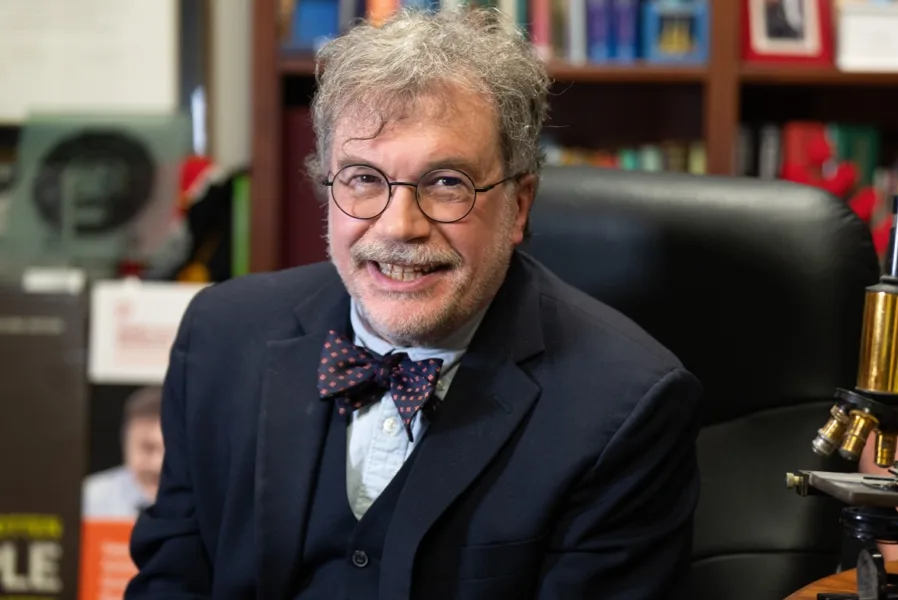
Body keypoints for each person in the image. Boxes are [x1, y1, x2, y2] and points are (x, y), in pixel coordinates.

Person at [126, 8, 703, 599]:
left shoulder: (626, 406)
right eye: (363, 178)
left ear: (519, 206)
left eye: (447, 182)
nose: (399, 226)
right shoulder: (221, 335)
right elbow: (171, 581)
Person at [83, 386, 164, 520]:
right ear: (125, 444)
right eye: (147, 448)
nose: (158, 464)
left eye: (172, 450)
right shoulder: (89, 498)